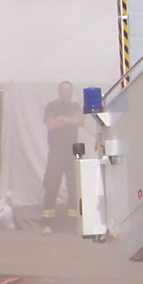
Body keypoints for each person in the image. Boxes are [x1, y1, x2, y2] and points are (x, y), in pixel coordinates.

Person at [42, 81, 83, 228]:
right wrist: (69, 121)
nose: (67, 92)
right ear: (59, 91)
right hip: (55, 154)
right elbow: (51, 125)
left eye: (69, 90)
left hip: (71, 154)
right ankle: (47, 223)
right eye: (65, 90)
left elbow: (79, 120)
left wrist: (62, 119)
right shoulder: (51, 107)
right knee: (52, 186)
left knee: (73, 188)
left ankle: (72, 224)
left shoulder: (75, 107)